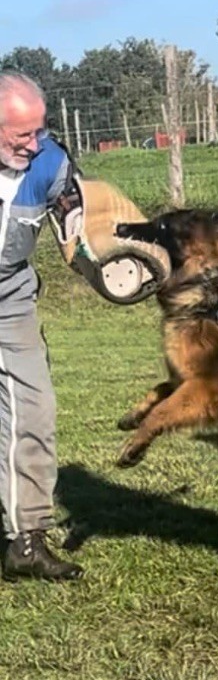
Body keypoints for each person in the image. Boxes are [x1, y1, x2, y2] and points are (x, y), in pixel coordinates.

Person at [0, 73, 82, 581]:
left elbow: (75, 213)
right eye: (19, 137)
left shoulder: (50, 160)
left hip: (10, 294)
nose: (33, 145)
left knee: (35, 406)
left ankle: (25, 542)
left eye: (39, 131)